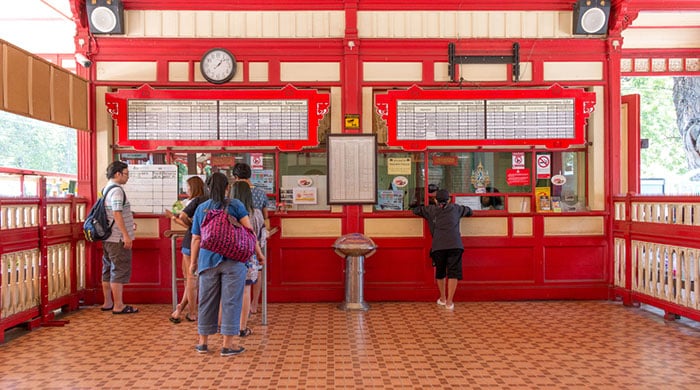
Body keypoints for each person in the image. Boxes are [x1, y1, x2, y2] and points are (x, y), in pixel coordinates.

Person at [190, 172, 256, 357]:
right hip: (233, 261)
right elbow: (249, 231)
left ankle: (203, 342)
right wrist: (256, 254)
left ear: (208, 187)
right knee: (231, 301)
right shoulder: (235, 205)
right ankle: (228, 345)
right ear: (228, 187)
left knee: (206, 301)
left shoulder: (202, 208)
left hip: (207, 261)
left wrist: (193, 263)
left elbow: (196, 238)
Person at [412, 189, 472, 310]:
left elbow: (416, 210)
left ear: (435, 200)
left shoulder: (430, 210)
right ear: (449, 199)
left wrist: (424, 203)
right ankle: (450, 302)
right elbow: (470, 211)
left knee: (440, 272)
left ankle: (443, 298)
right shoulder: (456, 208)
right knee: (453, 272)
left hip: (438, 246)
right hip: (455, 245)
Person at [166, 176, 207, 323]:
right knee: (196, 278)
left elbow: (184, 218)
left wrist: (174, 218)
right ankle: (180, 308)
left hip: (191, 242)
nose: (186, 190)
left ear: (193, 188)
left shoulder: (195, 201)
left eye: (188, 187)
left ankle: (192, 312)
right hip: (207, 244)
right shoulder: (210, 202)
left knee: (190, 278)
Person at [231, 162, 269, 314]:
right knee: (257, 272)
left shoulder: (233, 193)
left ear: (235, 177)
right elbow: (266, 215)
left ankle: (237, 307)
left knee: (236, 274)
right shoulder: (260, 193)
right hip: (256, 239)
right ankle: (254, 304)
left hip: (235, 243)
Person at [101, 161, 138, 315]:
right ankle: (118, 305)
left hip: (108, 237)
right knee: (119, 269)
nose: (127, 177)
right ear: (117, 174)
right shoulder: (117, 191)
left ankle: (108, 302)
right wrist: (126, 234)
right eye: (126, 174)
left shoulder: (106, 189)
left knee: (108, 269)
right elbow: (117, 213)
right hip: (117, 238)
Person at [230, 181, 266, 337]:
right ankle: (241, 326)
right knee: (245, 291)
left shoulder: (226, 213)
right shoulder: (256, 213)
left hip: (228, 257)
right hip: (249, 257)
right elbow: (261, 236)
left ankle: (224, 325)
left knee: (228, 291)